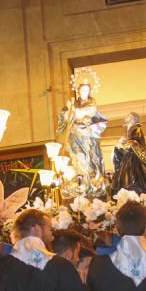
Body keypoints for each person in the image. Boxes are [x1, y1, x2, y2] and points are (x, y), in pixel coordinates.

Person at [58, 67, 109, 198]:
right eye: (82, 90)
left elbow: (84, 113)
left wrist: (73, 110)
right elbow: (66, 117)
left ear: (89, 91)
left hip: (87, 135)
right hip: (75, 135)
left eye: (86, 90)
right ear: (78, 91)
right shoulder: (74, 104)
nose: (84, 92)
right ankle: (81, 180)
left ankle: (90, 181)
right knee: (78, 157)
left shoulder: (91, 103)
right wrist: (67, 111)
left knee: (88, 157)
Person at [111, 112, 146, 196]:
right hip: (127, 159)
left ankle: (133, 184)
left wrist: (126, 144)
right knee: (124, 176)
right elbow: (122, 152)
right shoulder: (128, 133)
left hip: (134, 160)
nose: (125, 121)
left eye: (127, 119)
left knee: (132, 175)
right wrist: (118, 146)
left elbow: (137, 143)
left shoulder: (137, 129)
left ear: (133, 120)